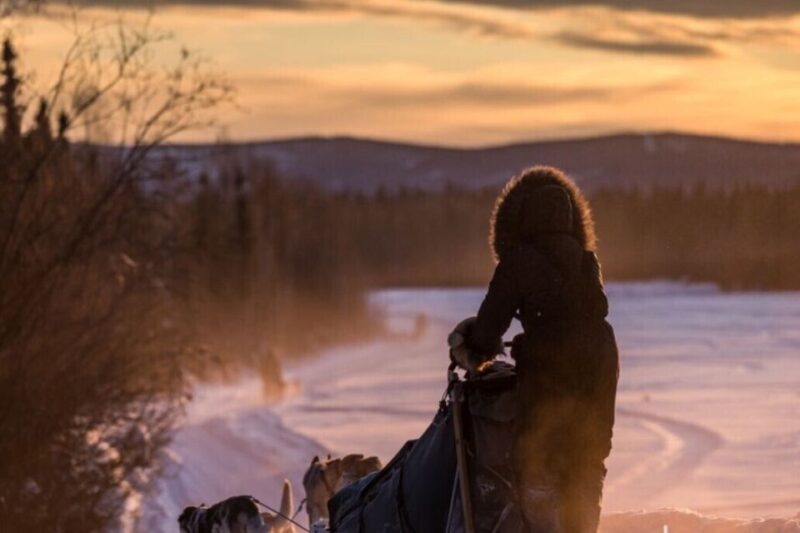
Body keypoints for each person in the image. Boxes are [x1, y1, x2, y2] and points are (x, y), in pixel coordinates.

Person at [449, 166, 619, 532]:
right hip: (602, 367)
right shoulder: (587, 262)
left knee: (539, 468)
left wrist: (466, 346)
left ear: (516, 221)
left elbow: (488, 329)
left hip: (550, 377)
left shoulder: (520, 261)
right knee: (587, 466)